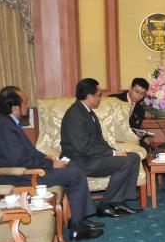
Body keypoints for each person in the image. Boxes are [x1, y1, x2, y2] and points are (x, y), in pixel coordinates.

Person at [0, 86, 102, 241]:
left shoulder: (7, 122)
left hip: (26, 171)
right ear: (14, 107)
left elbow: (29, 152)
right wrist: (50, 165)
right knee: (76, 173)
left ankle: (79, 219)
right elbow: (19, 161)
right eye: (25, 102)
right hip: (21, 177)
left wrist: (49, 159)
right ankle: (78, 229)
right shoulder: (4, 128)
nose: (27, 105)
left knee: (73, 165)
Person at [61, 78, 143, 218]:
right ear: (89, 96)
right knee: (124, 162)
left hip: (91, 156)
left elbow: (99, 140)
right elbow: (82, 148)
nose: (100, 97)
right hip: (81, 160)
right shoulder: (75, 115)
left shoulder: (88, 112)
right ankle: (106, 205)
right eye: (98, 94)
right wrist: (111, 153)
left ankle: (119, 201)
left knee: (134, 157)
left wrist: (114, 151)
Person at [109, 78, 150, 150]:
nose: (138, 96)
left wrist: (139, 134)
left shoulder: (140, 110)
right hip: (111, 137)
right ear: (130, 88)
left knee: (145, 148)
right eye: (137, 92)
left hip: (128, 139)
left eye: (142, 94)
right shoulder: (113, 99)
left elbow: (135, 129)